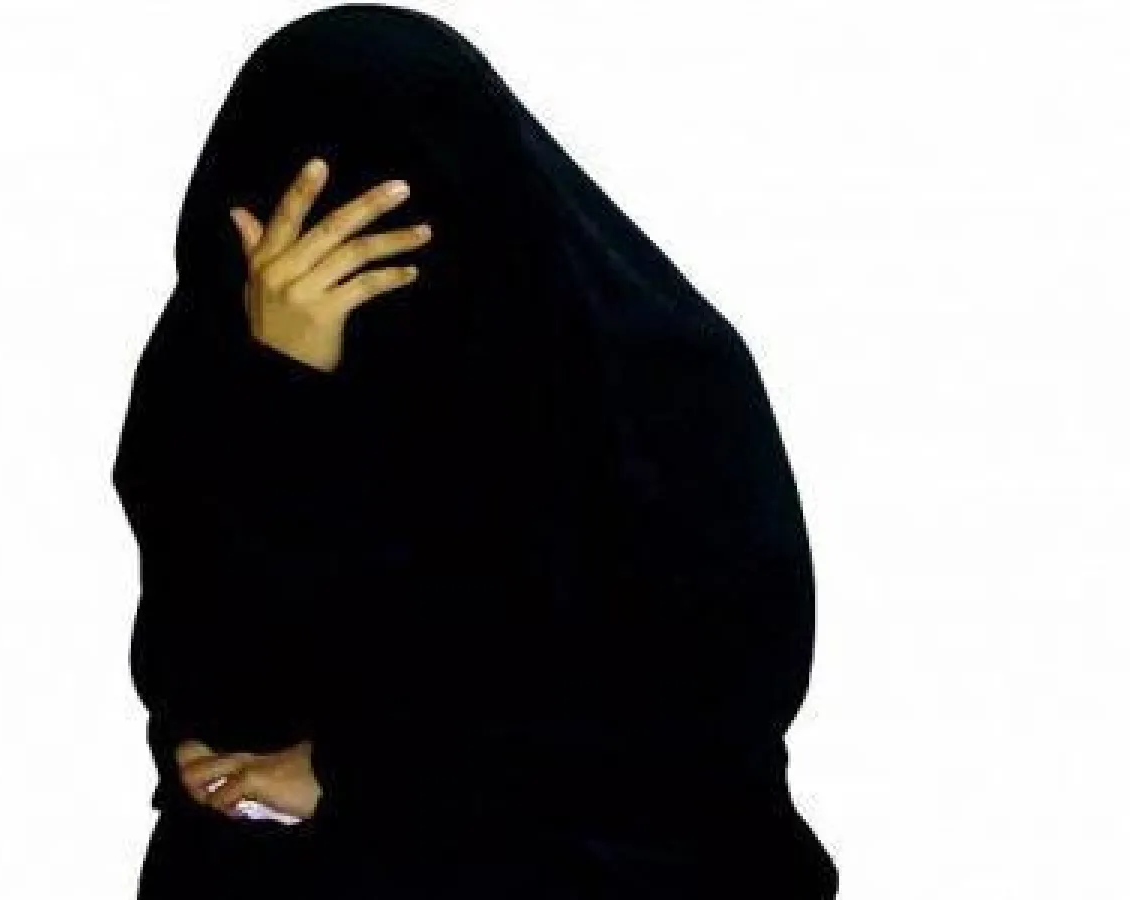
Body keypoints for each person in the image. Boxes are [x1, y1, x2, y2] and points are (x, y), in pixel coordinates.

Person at [111, 3, 840, 897]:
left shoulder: (656, 375)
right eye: (297, 227)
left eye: (376, 226)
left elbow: (708, 713)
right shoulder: (216, 374)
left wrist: (370, 773)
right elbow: (224, 702)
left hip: (610, 844)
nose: (319, 268)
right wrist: (285, 394)